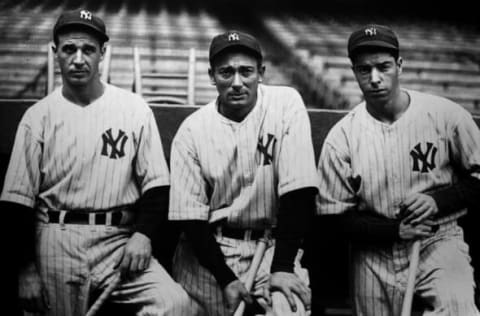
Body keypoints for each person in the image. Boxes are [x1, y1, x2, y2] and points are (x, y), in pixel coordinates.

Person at [0, 9, 195, 316]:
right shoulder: (37, 118)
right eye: (69, 49)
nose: (79, 59)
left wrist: (143, 235)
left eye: (88, 49)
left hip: (118, 240)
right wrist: (25, 271)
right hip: (56, 237)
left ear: (102, 52)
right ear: (55, 52)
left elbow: (158, 187)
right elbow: (16, 204)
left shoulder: (133, 109)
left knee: (175, 305)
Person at [316, 23, 480, 315]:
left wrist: (437, 200)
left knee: (458, 307)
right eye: (364, 70)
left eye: (383, 67)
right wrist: (394, 230)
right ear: (354, 72)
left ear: (400, 65)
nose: (375, 78)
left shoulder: (446, 115)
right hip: (373, 250)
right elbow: (334, 219)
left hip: (437, 238)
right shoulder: (342, 138)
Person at [168, 30, 318, 316]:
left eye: (246, 71)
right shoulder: (192, 130)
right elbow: (190, 218)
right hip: (209, 253)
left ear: (261, 73)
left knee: (291, 309)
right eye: (226, 72)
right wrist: (225, 278)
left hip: (272, 246)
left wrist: (283, 268)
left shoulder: (286, 104)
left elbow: (299, 192)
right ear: (212, 76)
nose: (237, 82)